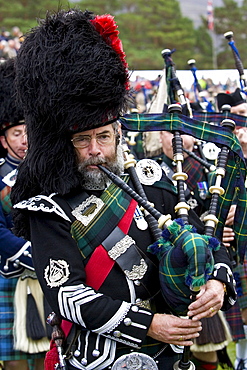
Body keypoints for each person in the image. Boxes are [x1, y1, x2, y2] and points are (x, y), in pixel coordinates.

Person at [11, 9, 236, 370]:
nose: (95, 150)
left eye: (103, 137)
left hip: (171, 359)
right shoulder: (49, 208)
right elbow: (66, 296)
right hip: (99, 359)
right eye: (82, 140)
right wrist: (149, 324)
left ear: (118, 135)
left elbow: (207, 242)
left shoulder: (153, 181)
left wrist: (217, 284)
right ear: (63, 144)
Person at [0, 58, 48, 370]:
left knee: (50, 357)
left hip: (49, 275)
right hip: (10, 275)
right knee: (16, 362)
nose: (24, 139)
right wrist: (27, 252)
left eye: (28, 131)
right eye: (17, 133)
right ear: (3, 138)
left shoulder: (49, 173)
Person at [217, 88, 247, 370]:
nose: (243, 121)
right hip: (233, 247)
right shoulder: (219, 158)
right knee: (241, 310)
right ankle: (242, 358)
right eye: (237, 117)